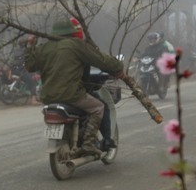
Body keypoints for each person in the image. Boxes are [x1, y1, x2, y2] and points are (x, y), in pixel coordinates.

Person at [24, 18, 124, 157]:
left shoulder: (44, 48)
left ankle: (77, 135)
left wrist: (30, 46)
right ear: (73, 31)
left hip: (48, 96)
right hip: (71, 94)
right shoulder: (76, 45)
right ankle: (89, 143)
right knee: (99, 107)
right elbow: (101, 60)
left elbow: (30, 66)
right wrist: (118, 66)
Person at [69, 17, 116, 151]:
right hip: (74, 92)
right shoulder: (80, 47)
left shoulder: (53, 47)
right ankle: (98, 142)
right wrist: (116, 69)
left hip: (50, 94)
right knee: (101, 106)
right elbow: (100, 61)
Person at [11, 36, 40, 105]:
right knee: (33, 80)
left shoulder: (15, 51)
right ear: (26, 43)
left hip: (14, 70)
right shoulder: (27, 51)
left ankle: (35, 96)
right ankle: (33, 100)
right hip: (22, 71)